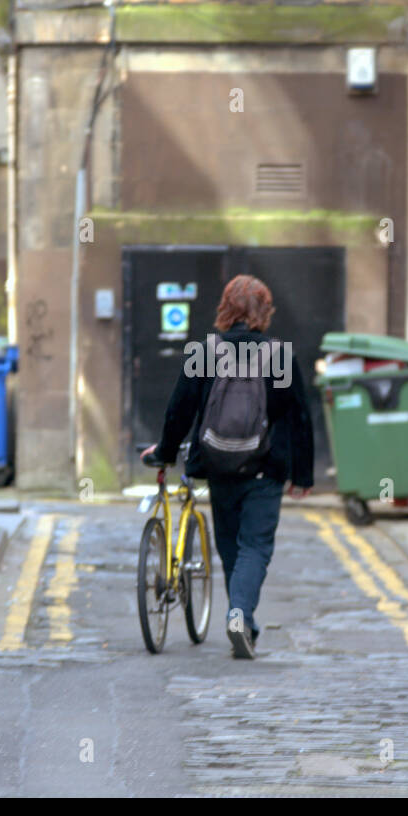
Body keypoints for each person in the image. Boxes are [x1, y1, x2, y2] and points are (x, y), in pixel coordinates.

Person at [140, 275, 314, 659]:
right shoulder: (279, 355)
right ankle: (240, 615)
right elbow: (298, 416)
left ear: (226, 309)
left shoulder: (205, 351)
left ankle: (242, 620)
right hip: (265, 468)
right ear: (264, 312)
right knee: (255, 545)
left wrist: (166, 452)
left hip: (220, 465)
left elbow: (180, 409)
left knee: (232, 545)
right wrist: (302, 474)